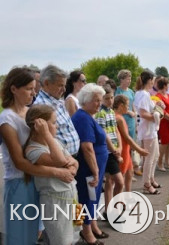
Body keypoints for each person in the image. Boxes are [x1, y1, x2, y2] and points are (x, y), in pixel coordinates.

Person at [3, 68, 77, 245]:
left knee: (41, 232)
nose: (34, 92)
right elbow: (20, 162)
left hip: (41, 183)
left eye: (34, 88)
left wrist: (71, 164)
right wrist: (58, 172)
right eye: (29, 88)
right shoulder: (7, 119)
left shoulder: (30, 112)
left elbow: (55, 147)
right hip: (20, 183)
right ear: (14, 89)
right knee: (22, 237)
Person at [24, 105, 79, 245]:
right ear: (40, 126)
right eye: (54, 123)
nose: (58, 126)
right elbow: (60, 160)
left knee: (75, 231)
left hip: (72, 194)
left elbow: (75, 162)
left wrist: (71, 167)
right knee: (61, 240)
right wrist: (47, 135)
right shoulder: (33, 149)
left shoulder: (55, 143)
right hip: (54, 200)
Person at [72, 83, 112, 243]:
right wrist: (95, 171)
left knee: (92, 198)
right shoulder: (82, 118)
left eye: (100, 100)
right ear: (86, 100)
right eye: (96, 100)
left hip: (95, 167)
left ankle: (92, 226)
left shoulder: (88, 116)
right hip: (88, 169)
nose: (99, 103)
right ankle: (85, 232)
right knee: (86, 199)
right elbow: (87, 148)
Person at [96, 89, 125, 225]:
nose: (110, 100)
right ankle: (114, 211)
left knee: (110, 182)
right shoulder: (100, 113)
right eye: (107, 98)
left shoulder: (111, 112)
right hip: (107, 152)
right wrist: (114, 151)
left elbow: (116, 131)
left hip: (114, 150)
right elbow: (103, 135)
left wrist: (119, 147)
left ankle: (109, 211)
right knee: (119, 182)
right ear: (101, 99)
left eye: (112, 97)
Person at [113, 95, 148, 196]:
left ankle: (128, 195)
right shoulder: (118, 118)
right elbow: (127, 137)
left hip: (126, 149)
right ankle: (119, 201)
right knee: (121, 177)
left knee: (130, 172)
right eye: (127, 106)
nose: (128, 108)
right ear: (120, 105)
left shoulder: (119, 117)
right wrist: (139, 149)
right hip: (123, 150)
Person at [134, 71, 161, 195]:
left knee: (155, 155)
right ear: (149, 80)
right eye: (153, 80)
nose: (153, 82)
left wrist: (156, 106)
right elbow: (143, 113)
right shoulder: (144, 94)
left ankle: (151, 178)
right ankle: (146, 183)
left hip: (149, 130)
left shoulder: (142, 93)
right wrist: (157, 116)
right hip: (148, 131)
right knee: (149, 158)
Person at [115, 70, 140, 177]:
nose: (129, 81)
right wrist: (128, 112)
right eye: (127, 79)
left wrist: (135, 113)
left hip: (131, 120)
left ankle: (130, 170)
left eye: (130, 78)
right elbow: (116, 105)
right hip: (122, 119)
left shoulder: (131, 92)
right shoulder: (118, 91)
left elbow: (133, 104)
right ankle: (122, 170)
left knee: (131, 145)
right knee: (123, 144)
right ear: (121, 79)